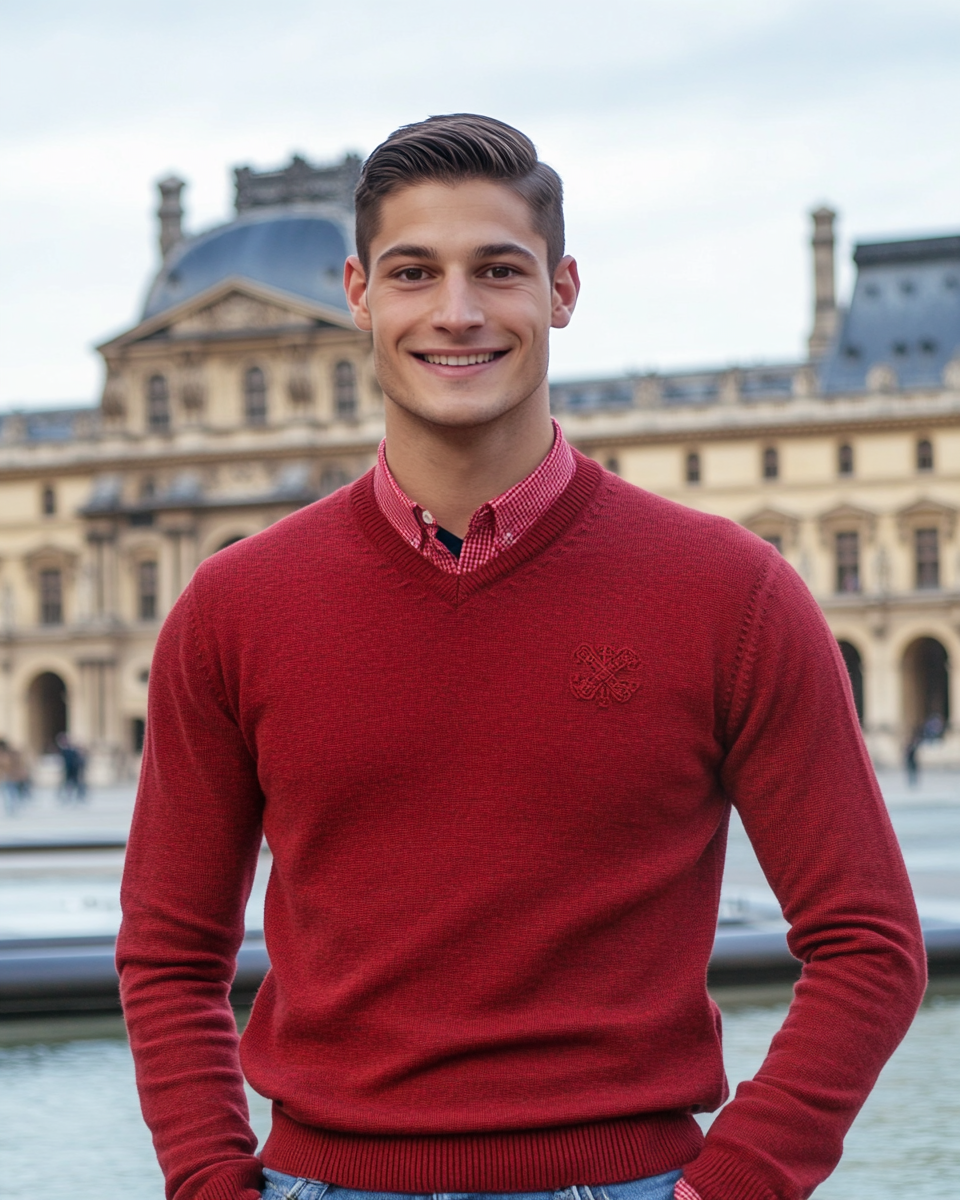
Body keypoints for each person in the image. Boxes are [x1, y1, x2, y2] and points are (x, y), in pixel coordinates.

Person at [117, 115, 925, 1200]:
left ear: (563, 290)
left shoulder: (731, 594)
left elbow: (871, 945)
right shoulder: (232, 608)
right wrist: (213, 1184)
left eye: (498, 269)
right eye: (414, 273)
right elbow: (169, 955)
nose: (456, 312)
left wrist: (734, 1189)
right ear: (358, 294)